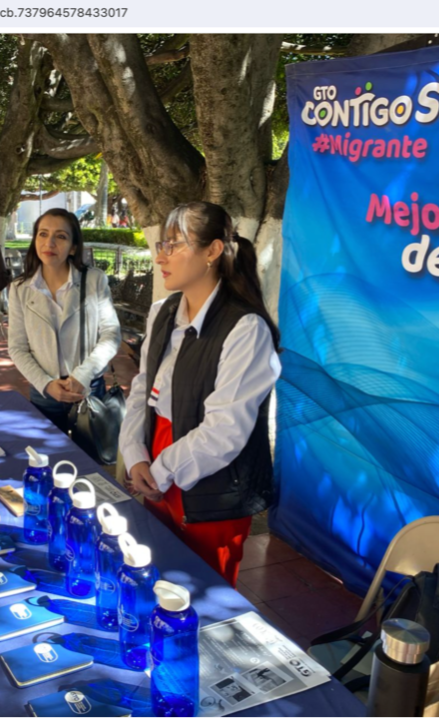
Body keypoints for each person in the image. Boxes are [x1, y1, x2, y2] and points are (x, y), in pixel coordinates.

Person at [118, 202, 282, 588]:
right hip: (158, 458)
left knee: (203, 596)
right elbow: (144, 388)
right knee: (155, 574)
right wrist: (136, 453)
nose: (161, 256)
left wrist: (160, 471)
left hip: (211, 484)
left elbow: (224, 432)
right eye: (162, 244)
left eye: (174, 245)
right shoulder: (162, 311)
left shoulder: (245, 328)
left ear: (212, 252)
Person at [7, 208, 120, 432]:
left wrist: (83, 375)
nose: (49, 243)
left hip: (88, 389)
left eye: (60, 236)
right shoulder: (20, 288)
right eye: (43, 234)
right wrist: (46, 384)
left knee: (91, 461)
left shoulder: (93, 280)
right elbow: (17, 347)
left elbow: (111, 334)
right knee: (48, 459)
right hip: (44, 393)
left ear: (73, 247)